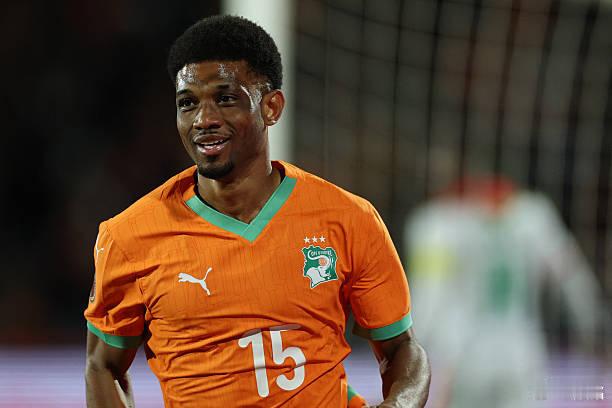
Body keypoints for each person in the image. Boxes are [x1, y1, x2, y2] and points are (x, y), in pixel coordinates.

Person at [84, 15, 430, 408]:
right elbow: (102, 366)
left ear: (271, 107)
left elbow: (401, 348)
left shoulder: (348, 218)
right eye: (188, 103)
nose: (203, 120)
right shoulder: (129, 237)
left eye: (225, 99)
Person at [404, 176, 603, 408]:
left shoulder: (438, 223)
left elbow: (429, 296)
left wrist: (411, 351)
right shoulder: (534, 217)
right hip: (522, 354)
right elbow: (572, 277)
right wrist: (593, 326)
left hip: (468, 357)